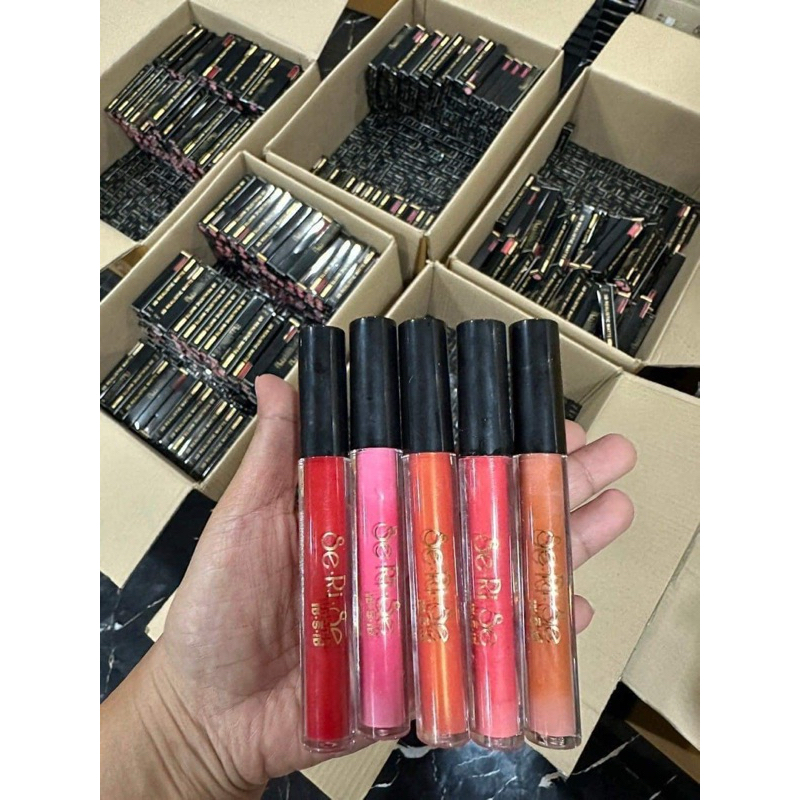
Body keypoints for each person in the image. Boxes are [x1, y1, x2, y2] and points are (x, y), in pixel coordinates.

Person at [101, 374, 637, 799]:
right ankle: (415, 703)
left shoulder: (453, 469)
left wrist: (187, 737)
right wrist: (188, 728)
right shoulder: (345, 472)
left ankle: (504, 705)